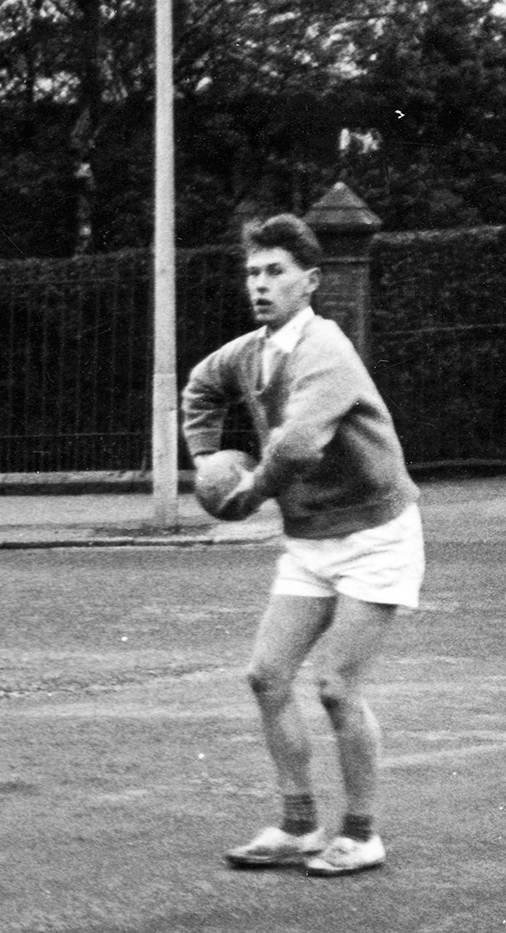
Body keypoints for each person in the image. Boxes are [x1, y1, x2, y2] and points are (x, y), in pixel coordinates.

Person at [181, 213, 424, 877]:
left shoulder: (327, 351)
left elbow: (294, 446)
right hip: (311, 538)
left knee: (338, 687)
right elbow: (200, 387)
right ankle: (298, 826)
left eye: (275, 272)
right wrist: (206, 459)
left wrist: (243, 495)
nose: (260, 284)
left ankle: (362, 833)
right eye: (253, 272)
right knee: (266, 676)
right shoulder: (251, 351)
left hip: (377, 535)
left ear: (310, 281)